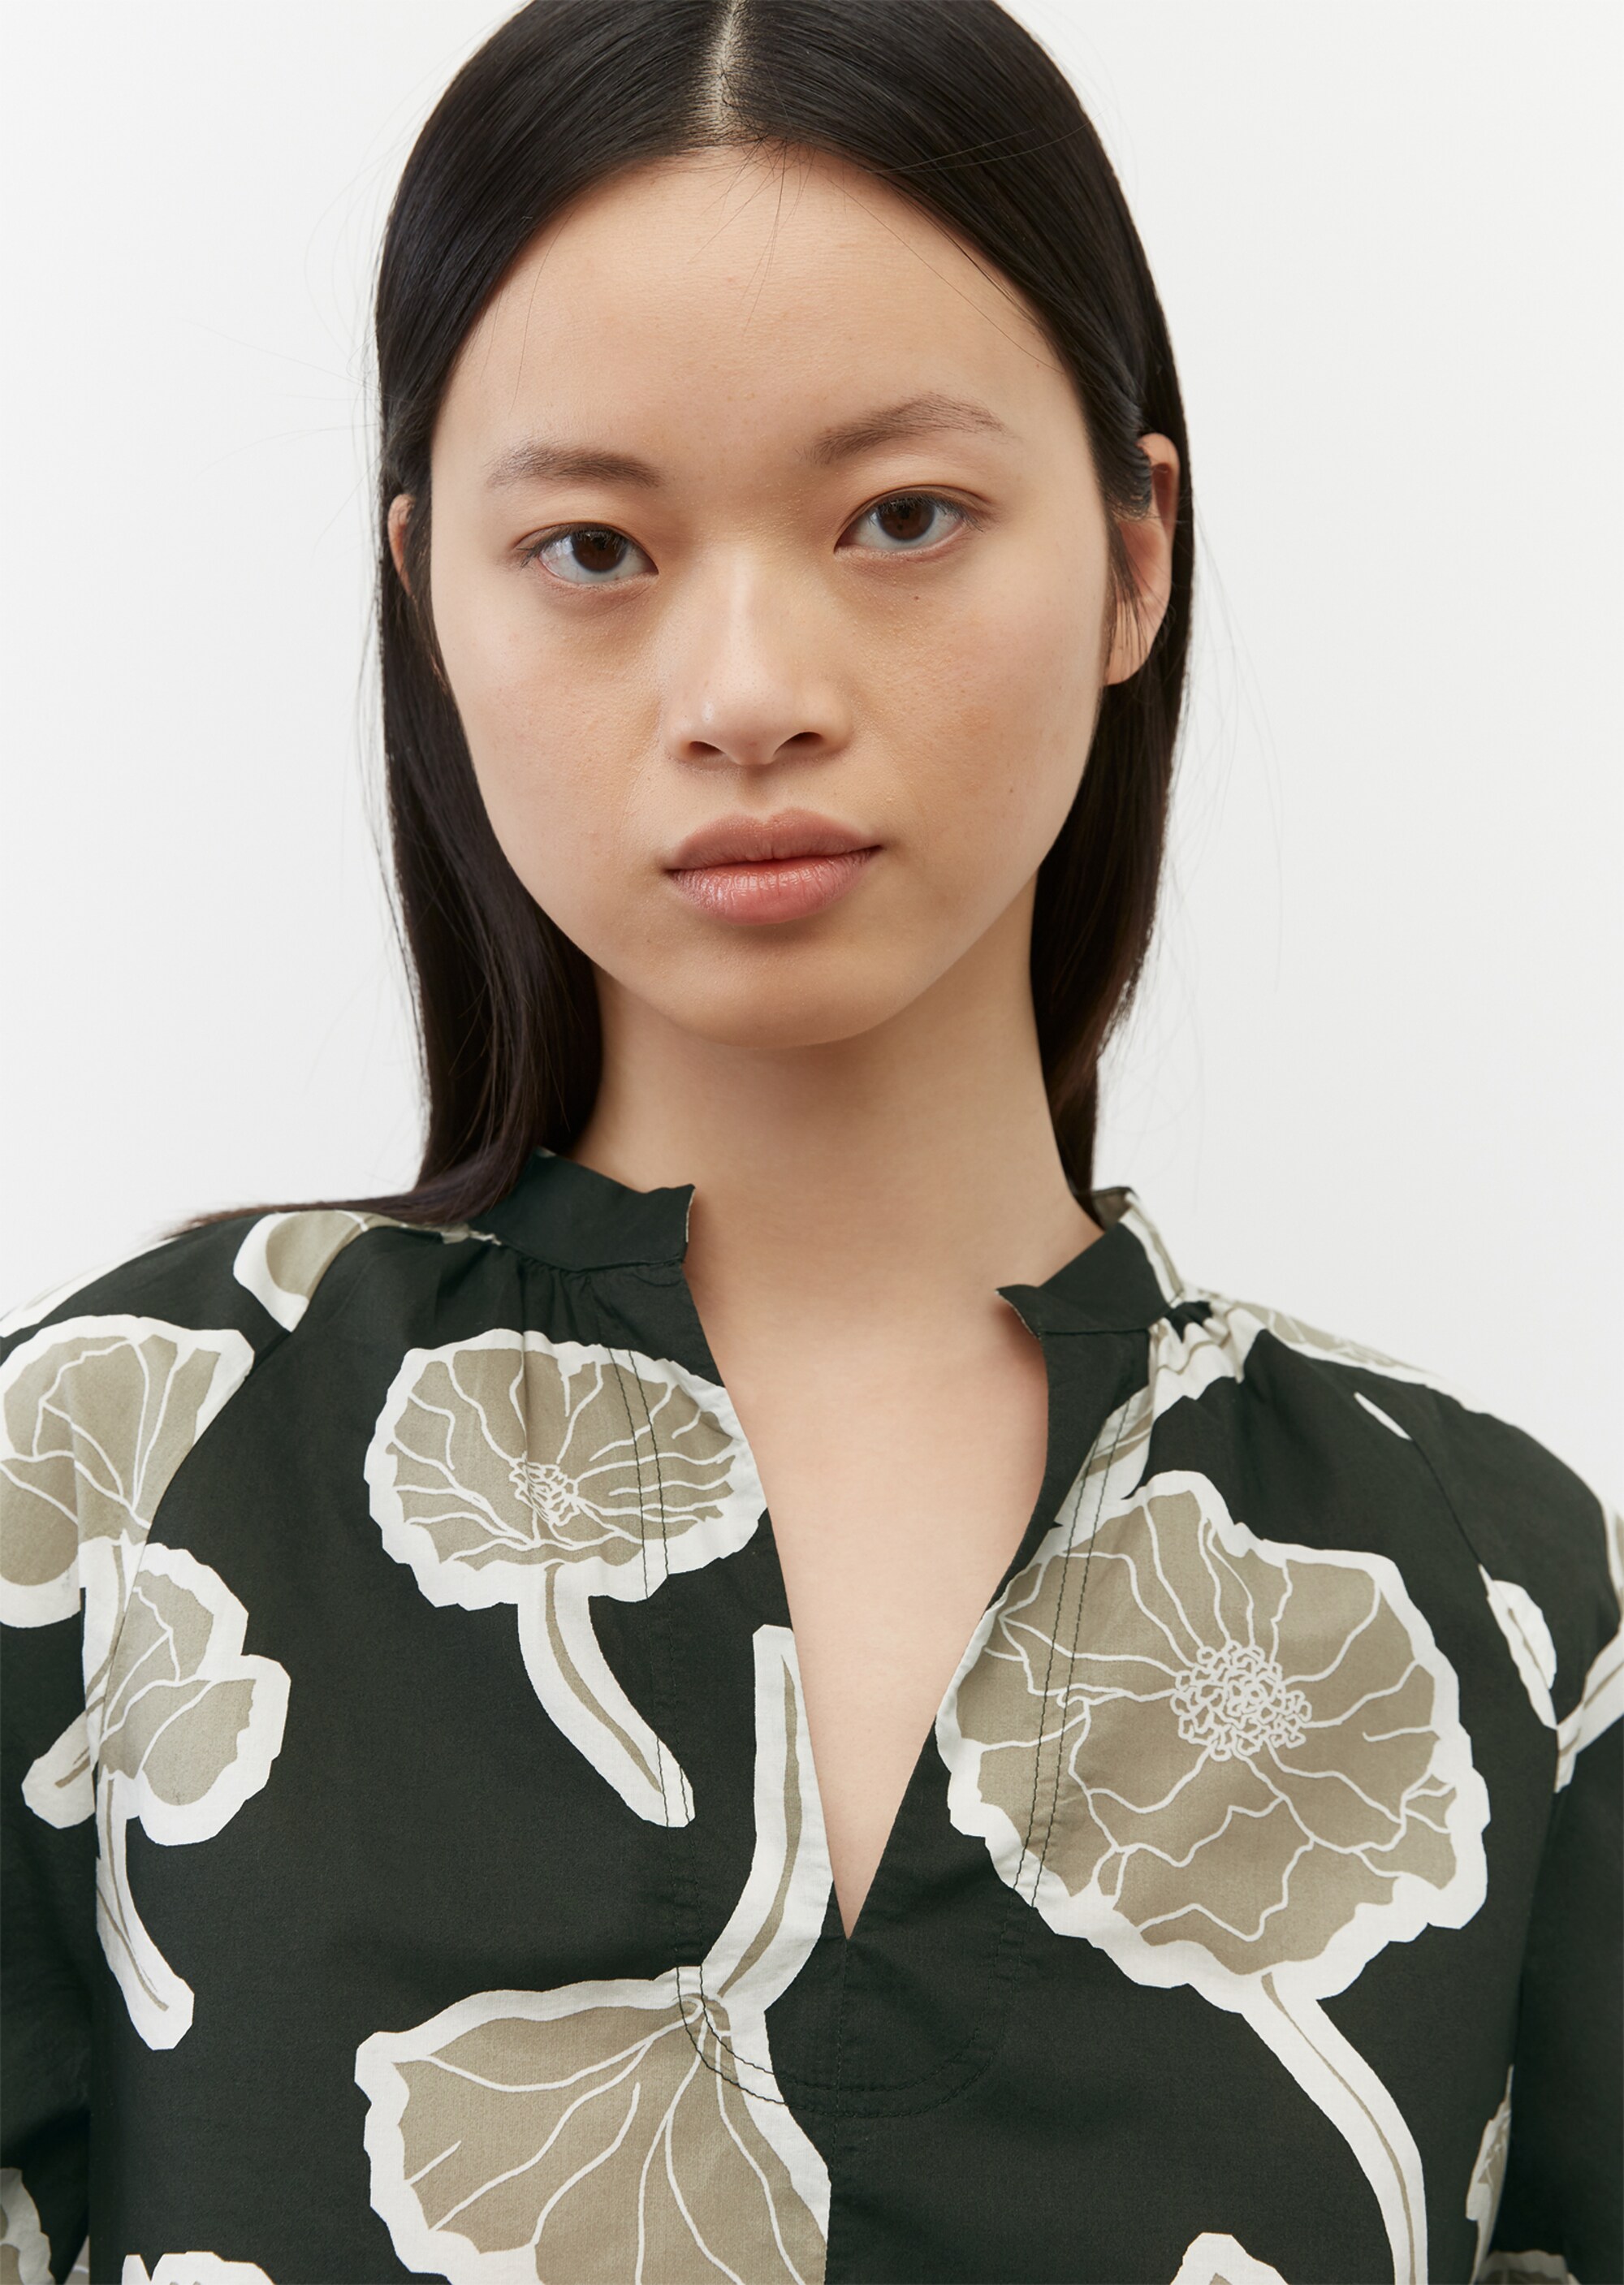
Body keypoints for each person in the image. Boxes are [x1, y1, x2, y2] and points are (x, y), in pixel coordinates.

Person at [2, 2, 1618, 2279]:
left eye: (902, 517)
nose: (749, 690)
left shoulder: (1501, 1606)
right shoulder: (110, 1487)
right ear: (427, 591)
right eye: (592, 546)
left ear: (1136, 554)